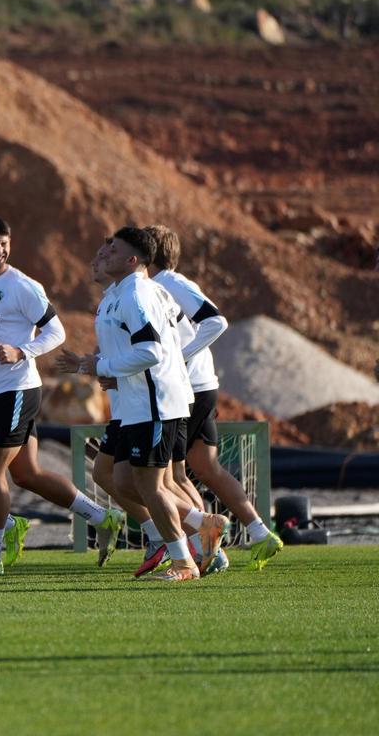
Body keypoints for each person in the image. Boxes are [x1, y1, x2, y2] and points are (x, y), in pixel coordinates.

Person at [0, 217, 124, 575]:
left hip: (17, 389)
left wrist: (22, 351)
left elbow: (57, 331)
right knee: (28, 474)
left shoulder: (23, 286)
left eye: (4, 243)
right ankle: (102, 517)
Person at [72, 227, 219, 583]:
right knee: (121, 478)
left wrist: (102, 366)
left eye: (113, 249)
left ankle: (184, 561)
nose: (105, 252)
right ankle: (203, 525)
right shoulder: (122, 294)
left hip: (155, 404)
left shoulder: (137, 294)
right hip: (138, 402)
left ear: (132, 260)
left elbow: (152, 350)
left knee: (155, 485)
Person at [144, 224, 283, 571]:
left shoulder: (169, 284)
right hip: (201, 384)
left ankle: (208, 547)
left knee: (171, 476)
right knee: (206, 467)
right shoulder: (165, 284)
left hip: (189, 388)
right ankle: (259, 531)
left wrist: (181, 356)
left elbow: (215, 321)